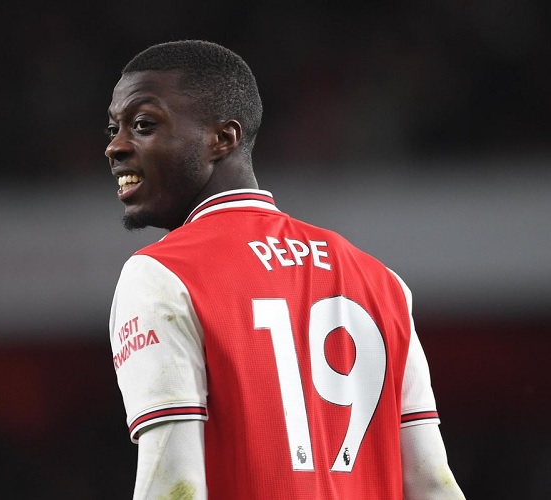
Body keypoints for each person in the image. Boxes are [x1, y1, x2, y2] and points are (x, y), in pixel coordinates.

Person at [106, 40, 465, 500]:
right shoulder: (381, 281)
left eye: (142, 125)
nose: (115, 146)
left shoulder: (161, 275)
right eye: (113, 128)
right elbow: (433, 483)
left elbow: (174, 486)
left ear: (223, 138)